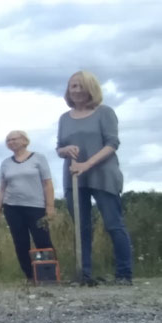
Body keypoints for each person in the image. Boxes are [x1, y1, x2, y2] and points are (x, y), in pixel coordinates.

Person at [56, 70, 132, 286]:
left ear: (91, 88)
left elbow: (112, 143)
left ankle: (124, 274)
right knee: (81, 228)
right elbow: (59, 148)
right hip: (74, 177)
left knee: (113, 224)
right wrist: (66, 150)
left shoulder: (104, 112)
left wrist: (87, 164)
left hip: (103, 174)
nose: (77, 90)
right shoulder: (64, 118)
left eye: (81, 86)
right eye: (73, 86)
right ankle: (84, 274)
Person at [0, 130, 55, 283]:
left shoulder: (39, 158)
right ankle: (30, 276)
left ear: (24, 141)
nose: (11, 142)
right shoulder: (6, 163)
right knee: (21, 242)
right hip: (12, 207)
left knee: (42, 240)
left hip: (36, 206)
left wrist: (50, 206)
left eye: (14, 139)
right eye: (8, 140)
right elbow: (2, 187)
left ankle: (48, 275)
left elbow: (47, 183)